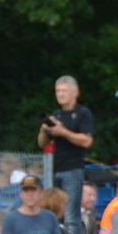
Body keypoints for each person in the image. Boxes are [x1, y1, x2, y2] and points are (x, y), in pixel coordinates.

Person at [37, 75, 96, 224]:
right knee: (51, 210)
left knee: (70, 214)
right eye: (57, 91)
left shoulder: (83, 113)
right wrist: (44, 130)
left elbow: (87, 141)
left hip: (73, 169)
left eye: (64, 90)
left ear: (75, 92)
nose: (60, 94)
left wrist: (63, 132)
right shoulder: (56, 115)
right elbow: (42, 144)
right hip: (54, 168)